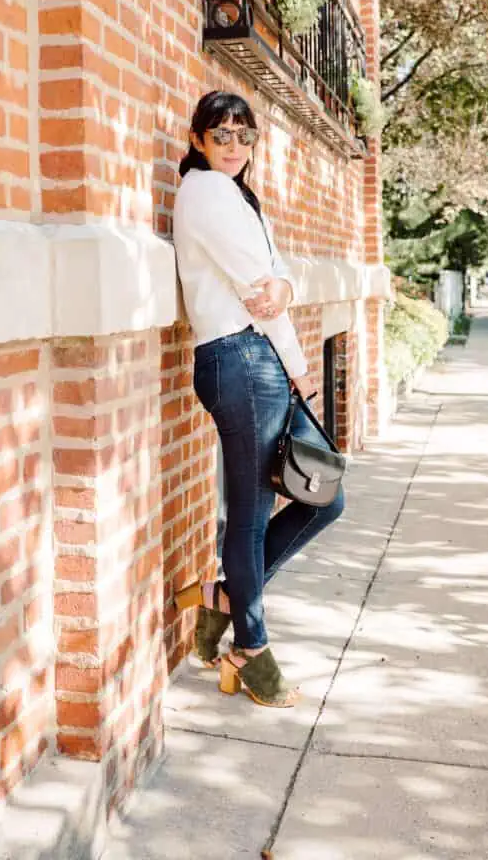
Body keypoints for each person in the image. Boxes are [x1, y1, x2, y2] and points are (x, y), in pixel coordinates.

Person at [172, 90, 345, 708]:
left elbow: (278, 279)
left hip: (257, 361)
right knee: (250, 516)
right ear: (198, 139)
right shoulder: (208, 193)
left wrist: (285, 288)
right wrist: (299, 368)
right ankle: (250, 649)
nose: (235, 146)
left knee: (324, 498)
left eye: (245, 136)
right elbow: (261, 293)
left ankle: (222, 598)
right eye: (221, 135)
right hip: (242, 358)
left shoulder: (236, 194)